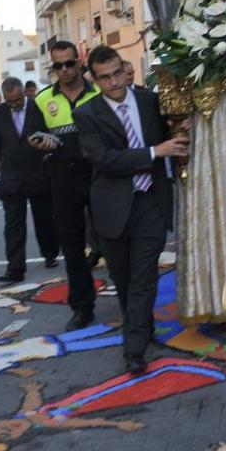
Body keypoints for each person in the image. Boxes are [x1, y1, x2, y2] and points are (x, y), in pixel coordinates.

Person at [75, 45, 184, 374]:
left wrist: (181, 133)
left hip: (151, 200)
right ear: (94, 80)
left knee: (143, 278)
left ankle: (133, 350)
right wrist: (155, 152)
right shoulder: (87, 114)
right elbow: (103, 159)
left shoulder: (150, 101)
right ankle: (143, 328)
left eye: (117, 73)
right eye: (105, 78)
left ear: (125, 70)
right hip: (112, 208)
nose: (113, 82)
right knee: (123, 280)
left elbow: (172, 133)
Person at [29, 41, 102, 331]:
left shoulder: (98, 93)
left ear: (79, 62)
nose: (64, 70)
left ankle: (128, 297)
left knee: (114, 240)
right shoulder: (42, 99)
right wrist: (40, 142)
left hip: (100, 176)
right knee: (72, 247)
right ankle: (82, 308)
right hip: (63, 178)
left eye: (69, 64)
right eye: (57, 66)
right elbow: (32, 136)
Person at [0, 77, 59, 283]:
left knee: (44, 219)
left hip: (38, 173)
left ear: (23, 94)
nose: (14, 104)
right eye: (10, 101)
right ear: (4, 97)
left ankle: (50, 253)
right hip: (12, 178)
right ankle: (15, 268)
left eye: (17, 100)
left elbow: (49, 134)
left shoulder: (39, 107)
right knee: (13, 225)